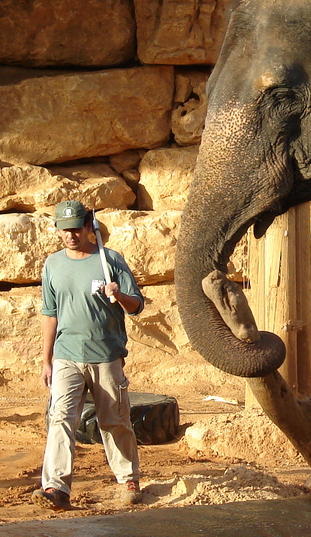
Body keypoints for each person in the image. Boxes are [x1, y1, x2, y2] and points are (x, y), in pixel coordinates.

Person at [31, 200, 145, 511]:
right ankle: (56, 487)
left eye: (76, 229)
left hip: (106, 355)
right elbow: (50, 313)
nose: (70, 235)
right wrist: (46, 359)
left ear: (87, 227)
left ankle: (128, 480)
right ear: (58, 230)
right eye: (64, 230)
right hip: (67, 355)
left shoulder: (110, 260)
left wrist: (118, 295)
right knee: (60, 418)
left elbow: (136, 305)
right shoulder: (53, 265)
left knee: (115, 420)